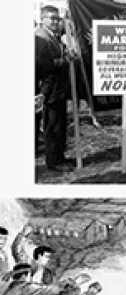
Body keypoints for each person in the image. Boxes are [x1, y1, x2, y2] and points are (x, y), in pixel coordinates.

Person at [35, 6, 74, 172]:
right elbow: (46, 66)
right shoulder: (40, 38)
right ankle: (54, 161)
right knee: (53, 127)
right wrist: (66, 59)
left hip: (59, 89)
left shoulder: (53, 35)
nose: (56, 22)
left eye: (57, 19)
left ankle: (59, 156)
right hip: (51, 90)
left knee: (60, 125)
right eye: (52, 18)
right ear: (42, 19)